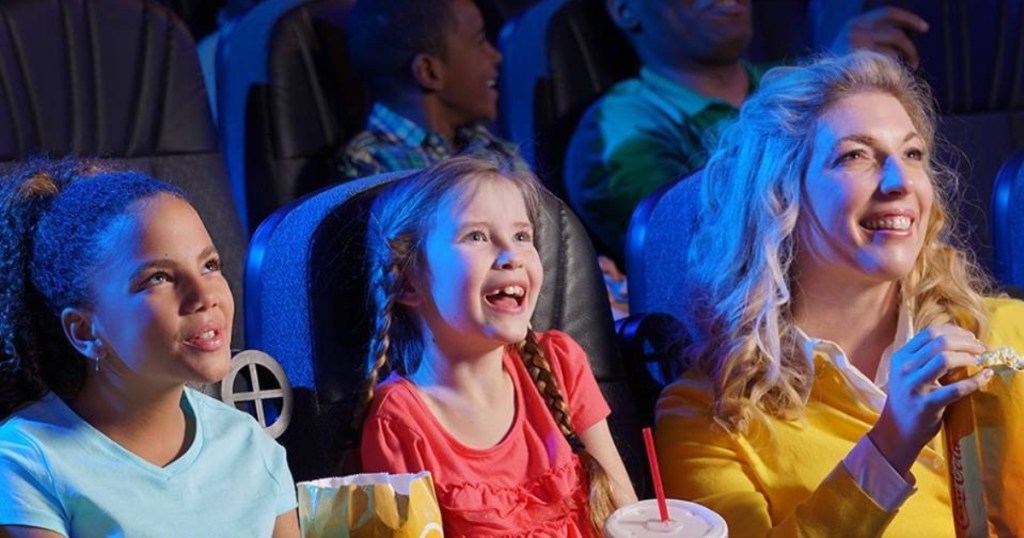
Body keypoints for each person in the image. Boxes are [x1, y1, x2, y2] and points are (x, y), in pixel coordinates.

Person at [655, 50, 1024, 536]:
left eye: (912, 155)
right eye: (855, 156)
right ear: (780, 195)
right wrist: (890, 445)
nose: (900, 182)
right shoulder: (710, 417)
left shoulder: (1006, 333)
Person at [0, 160, 299, 538]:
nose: (205, 296)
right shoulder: (25, 462)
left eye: (209, 265)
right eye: (158, 277)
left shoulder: (250, 445)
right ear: (84, 331)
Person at [356, 156, 637, 536]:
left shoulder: (561, 363)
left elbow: (625, 519)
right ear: (408, 282)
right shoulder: (400, 423)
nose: (512, 256)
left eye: (522, 236)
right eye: (477, 237)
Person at [564, 0, 930, 266]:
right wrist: (832, 95)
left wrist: (845, 85)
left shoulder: (792, 81)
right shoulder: (616, 126)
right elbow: (684, 246)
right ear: (626, 9)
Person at [335, 0, 529, 180]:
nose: (496, 56)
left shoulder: (494, 150)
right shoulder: (372, 164)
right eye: (479, 42)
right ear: (429, 72)